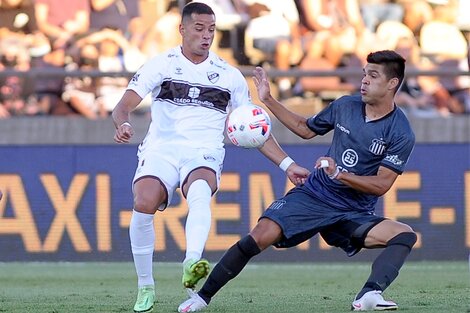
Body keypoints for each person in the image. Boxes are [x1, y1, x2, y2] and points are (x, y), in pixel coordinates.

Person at [178, 50, 418, 312]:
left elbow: (382, 184)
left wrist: (341, 174)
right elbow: (305, 129)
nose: (364, 81)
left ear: (392, 83)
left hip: (353, 211)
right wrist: (268, 99)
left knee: (404, 234)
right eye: (364, 74)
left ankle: (370, 293)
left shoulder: (401, 131)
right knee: (259, 236)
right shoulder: (345, 106)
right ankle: (201, 298)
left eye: (373, 76)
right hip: (314, 195)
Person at [111, 3, 310, 313]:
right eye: (200, 29)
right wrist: (122, 123)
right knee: (143, 202)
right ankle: (145, 285)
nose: (206, 36)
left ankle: (192, 263)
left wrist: (287, 164)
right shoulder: (160, 65)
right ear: (183, 29)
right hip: (161, 148)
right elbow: (122, 106)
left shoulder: (229, 77)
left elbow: (253, 129)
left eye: (211, 30)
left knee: (200, 191)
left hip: (203, 150)